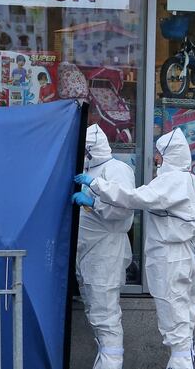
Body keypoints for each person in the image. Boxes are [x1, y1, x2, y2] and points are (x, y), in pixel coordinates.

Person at [73, 128, 195, 369]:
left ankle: (181, 363)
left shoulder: (171, 181)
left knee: (174, 318)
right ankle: (183, 360)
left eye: (159, 154)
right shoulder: (193, 182)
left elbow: (133, 199)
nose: (156, 159)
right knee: (183, 317)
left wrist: (96, 189)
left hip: (171, 256)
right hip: (186, 254)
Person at [69, 124, 135, 369]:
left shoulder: (116, 170)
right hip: (88, 255)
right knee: (96, 314)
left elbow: (124, 210)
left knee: (106, 317)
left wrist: (94, 202)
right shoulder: (88, 171)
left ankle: (111, 363)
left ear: (90, 149)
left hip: (106, 253)